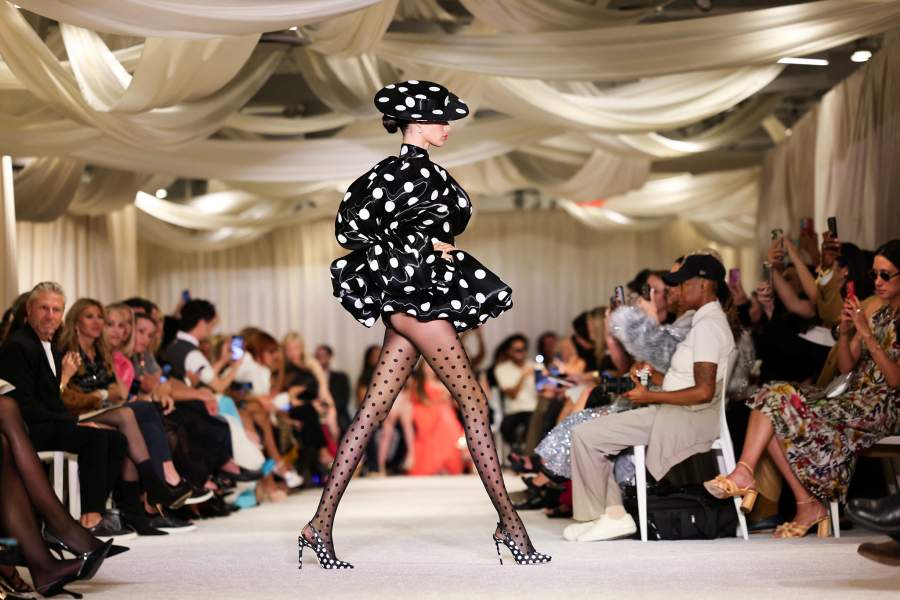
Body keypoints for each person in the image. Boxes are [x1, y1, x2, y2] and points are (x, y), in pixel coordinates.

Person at [300, 80, 549, 569]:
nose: (447, 126)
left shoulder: (412, 173)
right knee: (474, 401)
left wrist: (423, 246)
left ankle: (318, 525)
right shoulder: (393, 175)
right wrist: (421, 248)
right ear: (415, 122)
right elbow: (351, 231)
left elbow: (374, 228)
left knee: (372, 410)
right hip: (412, 297)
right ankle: (510, 523)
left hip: (413, 295)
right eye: (439, 117)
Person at [706, 239, 900, 538]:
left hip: (883, 405)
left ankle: (799, 501)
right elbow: (847, 367)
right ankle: (765, 481)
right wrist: (848, 332)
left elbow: (895, 380)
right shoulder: (878, 310)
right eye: (875, 274)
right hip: (852, 395)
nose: (877, 282)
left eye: (886, 275)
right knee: (769, 395)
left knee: (778, 403)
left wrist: (866, 334)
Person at [563, 254, 736, 542]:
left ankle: (609, 515)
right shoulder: (704, 322)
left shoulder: (708, 326)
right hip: (678, 411)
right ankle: (608, 514)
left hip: (688, 417)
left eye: (683, 283)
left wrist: (648, 396)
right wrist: (652, 376)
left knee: (586, 434)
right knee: (587, 433)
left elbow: (704, 391)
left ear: (704, 284)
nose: (676, 291)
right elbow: (690, 381)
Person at [0, 283, 133, 539]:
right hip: (27, 432)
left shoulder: (50, 346)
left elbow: (52, 400)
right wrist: (72, 424)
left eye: (56, 309)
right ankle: (91, 518)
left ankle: (90, 513)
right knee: (94, 438)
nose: (50, 315)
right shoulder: (19, 346)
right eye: (44, 308)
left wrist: (71, 422)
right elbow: (24, 406)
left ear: (62, 314)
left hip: (48, 423)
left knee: (116, 439)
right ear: (30, 309)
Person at [314, 344, 352, 434]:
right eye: (318, 356)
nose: (320, 358)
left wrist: (329, 408)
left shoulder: (341, 377)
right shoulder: (310, 378)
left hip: (338, 413)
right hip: (316, 413)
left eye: (323, 355)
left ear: (330, 356)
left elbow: (343, 400)